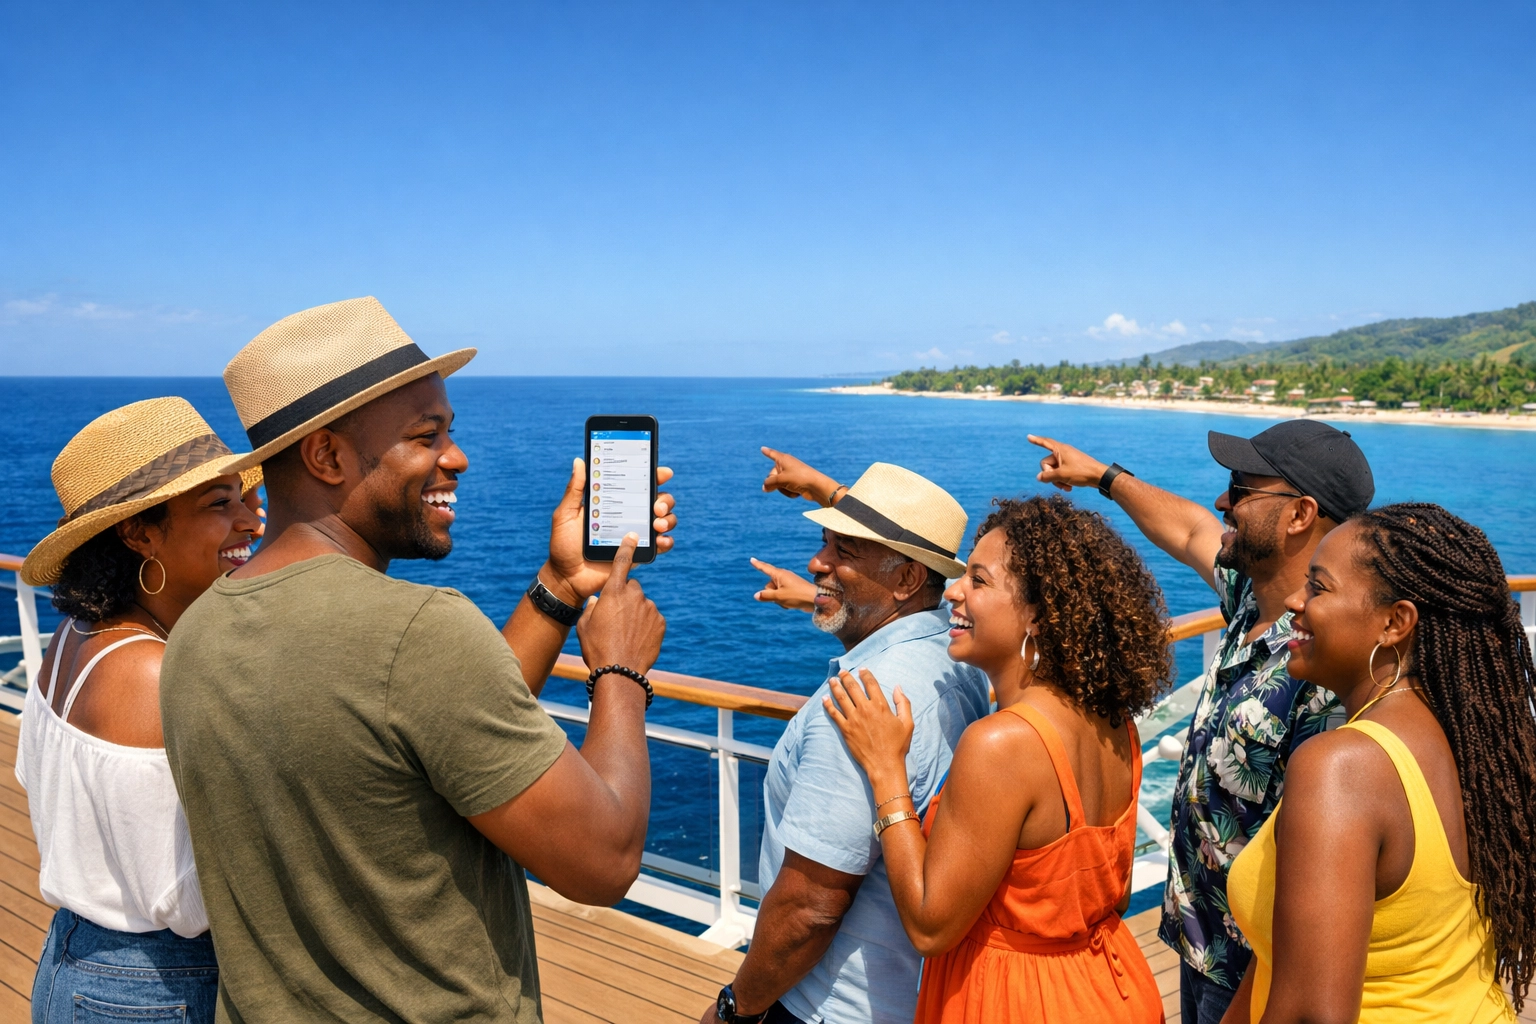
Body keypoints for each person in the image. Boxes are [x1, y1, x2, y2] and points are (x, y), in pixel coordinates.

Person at [158, 297, 678, 1023]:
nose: (456, 458)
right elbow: (606, 861)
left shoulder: (195, 628)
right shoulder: (420, 632)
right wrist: (620, 673)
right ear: (328, 455)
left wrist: (559, 587)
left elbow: (431, 728)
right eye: (425, 436)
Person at [1029, 421, 1374, 1024]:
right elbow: (1188, 527)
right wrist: (1103, 476)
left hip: (1256, 968)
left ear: (1300, 514)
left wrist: (1265, 984)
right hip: (1199, 941)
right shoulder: (1251, 595)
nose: (1223, 503)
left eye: (1241, 490)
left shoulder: (1328, 669)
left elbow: (1322, 873)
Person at [827, 494, 1172, 1022]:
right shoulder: (1112, 720)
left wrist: (886, 769)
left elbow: (929, 926)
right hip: (1109, 986)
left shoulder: (1001, 743)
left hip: (1017, 1001)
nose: (954, 594)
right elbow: (1108, 893)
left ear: (1038, 614)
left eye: (979, 581)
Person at [704, 453, 992, 1024]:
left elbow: (811, 905)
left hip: (826, 1004)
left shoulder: (861, 706)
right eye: (827, 546)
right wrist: (814, 597)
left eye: (843, 552)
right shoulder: (958, 659)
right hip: (908, 997)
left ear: (908, 579)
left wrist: (736, 1008)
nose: (816, 562)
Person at [1224, 503, 1534, 1022]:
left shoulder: (1342, 768)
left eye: (1319, 588)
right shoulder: (1473, 738)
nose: (1296, 602)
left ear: (1395, 622)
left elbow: (1311, 1015)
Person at [17, 397, 264, 1024]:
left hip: (80, 961)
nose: (251, 522)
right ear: (139, 533)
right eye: (219, 504)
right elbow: (189, 899)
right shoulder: (151, 671)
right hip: (155, 987)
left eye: (242, 497)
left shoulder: (81, 635)